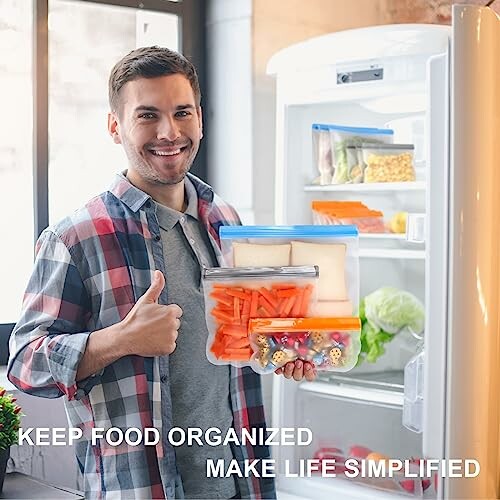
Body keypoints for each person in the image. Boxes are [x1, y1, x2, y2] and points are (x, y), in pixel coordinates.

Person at [7, 46, 316, 499]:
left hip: (238, 484)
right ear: (116, 127)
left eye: (182, 113)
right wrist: (121, 339)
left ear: (200, 119)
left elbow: (237, 340)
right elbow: (24, 363)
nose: (169, 132)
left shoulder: (225, 220)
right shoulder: (76, 237)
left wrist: (281, 348)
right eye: (147, 115)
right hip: (140, 489)